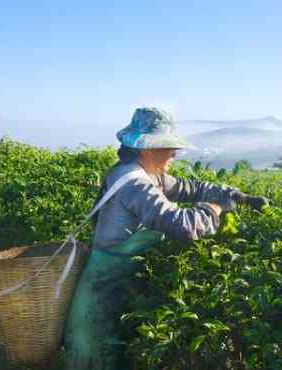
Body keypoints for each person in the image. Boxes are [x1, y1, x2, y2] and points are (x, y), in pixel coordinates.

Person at [63, 107, 268, 370]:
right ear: (147, 148)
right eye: (168, 147)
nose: (174, 153)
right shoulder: (133, 183)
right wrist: (215, 209)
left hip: (122, 283)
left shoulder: (149, 173)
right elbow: (181, 225)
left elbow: (191, 187)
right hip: (103, 291)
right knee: (99, 356)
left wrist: (238, 195)